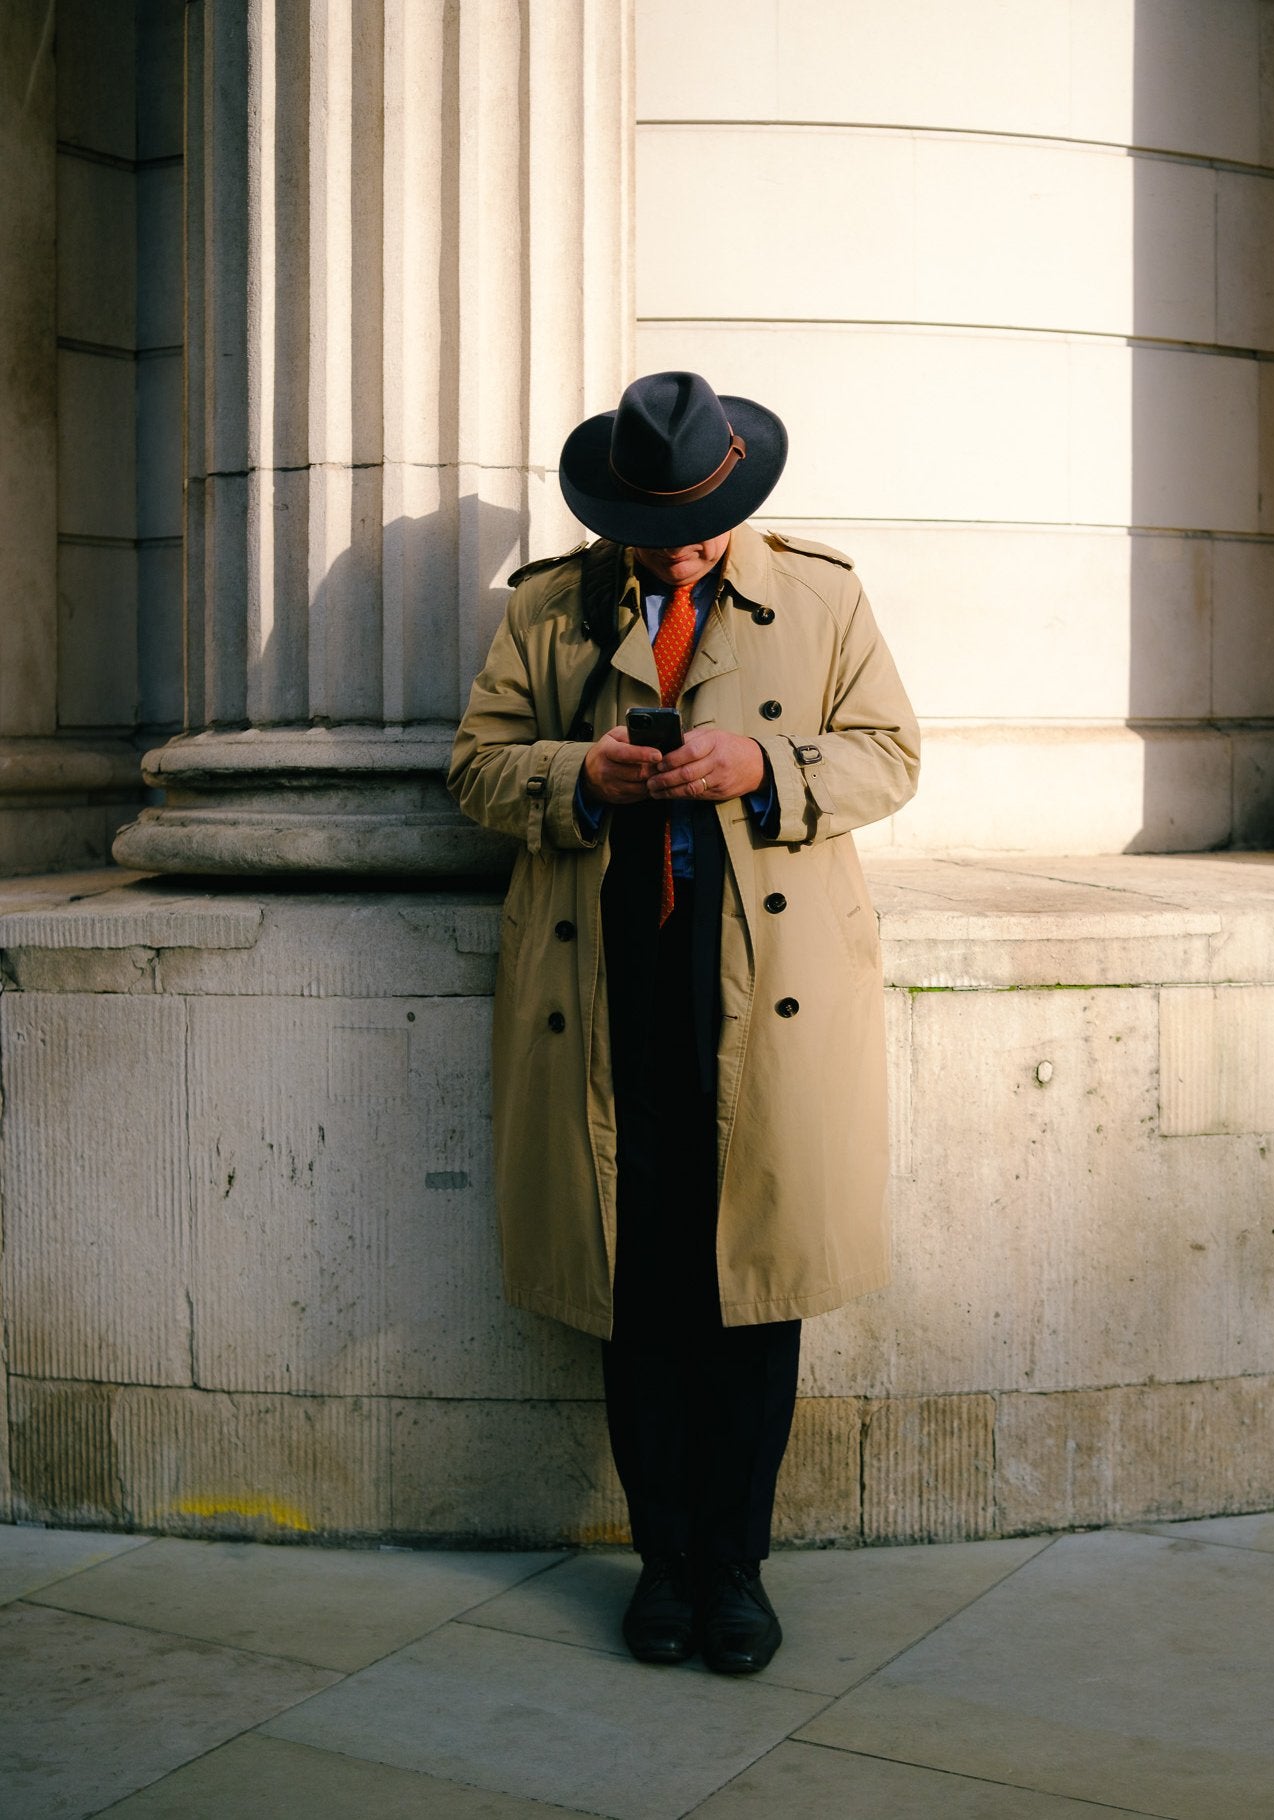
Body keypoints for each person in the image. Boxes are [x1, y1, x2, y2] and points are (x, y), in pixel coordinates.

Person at [447, 370, 919, 1673]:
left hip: (769, 991)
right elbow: (475, 768)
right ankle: (661, 1566)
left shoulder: (818, 594)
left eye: (701, 523)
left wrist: (762, 765)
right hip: (605, 985)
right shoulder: (551, 609)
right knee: (635, 1281)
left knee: (757, 1289)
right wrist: (576, 774)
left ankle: (737, 1570)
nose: (682, 550)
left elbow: (890, 752)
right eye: (655, 532)